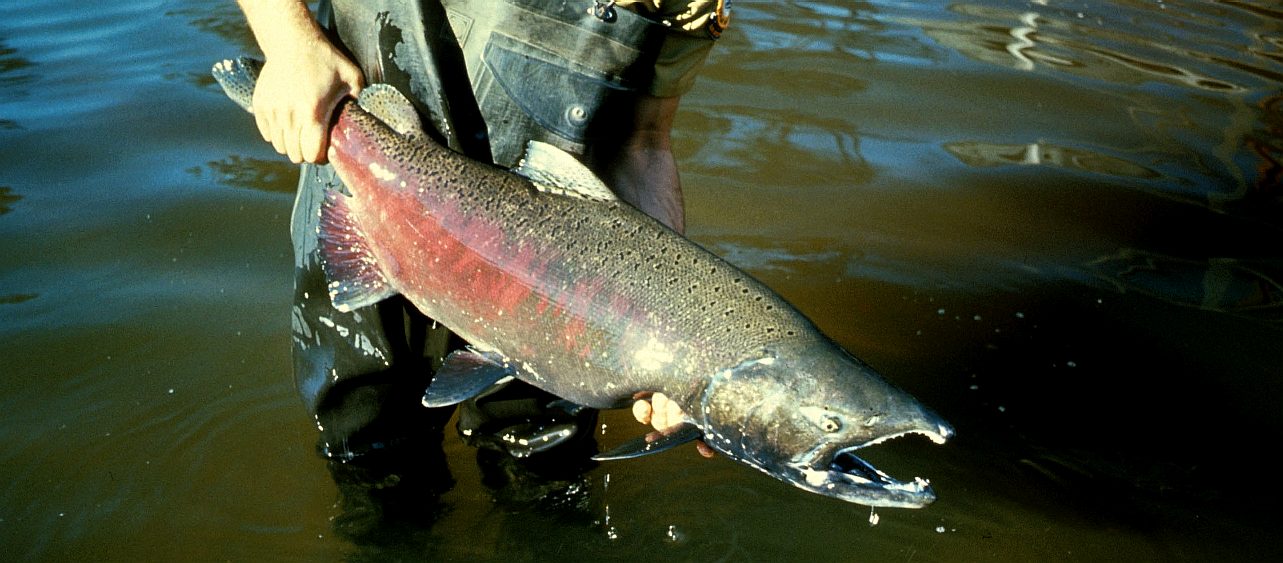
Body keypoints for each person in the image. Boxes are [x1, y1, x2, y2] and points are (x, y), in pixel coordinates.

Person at [235, 0, 724, 467]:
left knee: (543, 473)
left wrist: (669, 338)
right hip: (375, 175)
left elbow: (643, 139)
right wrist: (289, 42)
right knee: (370, 446)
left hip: (553, 282)